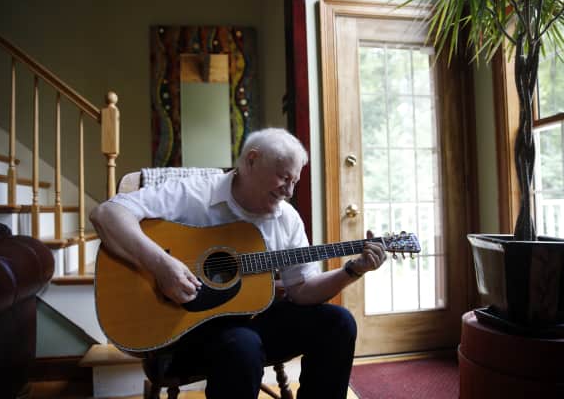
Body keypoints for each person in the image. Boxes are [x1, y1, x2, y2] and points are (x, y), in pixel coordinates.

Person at [90, 127, 387, 399]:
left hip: (254, 325)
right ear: (252, 160)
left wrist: (352, 270)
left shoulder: (287, 218)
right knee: (242, 346)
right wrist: (161, 265)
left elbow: (302, 289)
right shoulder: (194, 193)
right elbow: (106, 214)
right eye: (283, 177)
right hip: (183, 331)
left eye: (294, 181)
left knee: (338, 322)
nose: (289, 191)